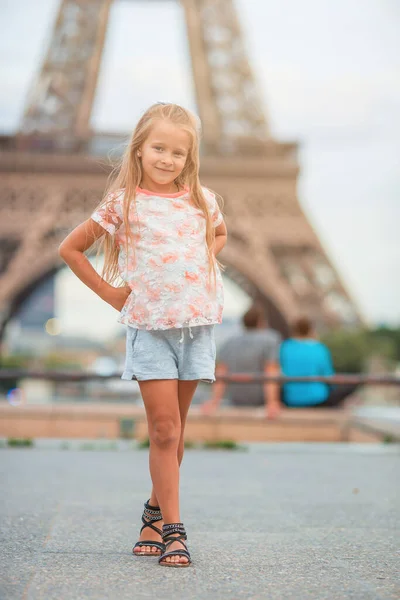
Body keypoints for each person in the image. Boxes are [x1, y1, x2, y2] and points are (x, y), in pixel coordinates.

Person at [58, 103, 227, 568]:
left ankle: (154, 512)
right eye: (158, 148)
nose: (167, 159)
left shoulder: (201, 198)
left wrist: (197, 265)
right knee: (164, 429)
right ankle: (175, 529)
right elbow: (70, 248)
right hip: (150, 328)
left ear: (188, 158)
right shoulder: (123, 202)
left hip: (196, 327)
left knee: (177, 432)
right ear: (138, 149)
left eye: (178, 152)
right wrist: (112, 294)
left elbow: (220, 235)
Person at [201, 304, 281, 419]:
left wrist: (214, 401)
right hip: (260, 400)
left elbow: (221, 373)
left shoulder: (230, 342)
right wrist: (272, 402)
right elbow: (271, 371)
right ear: (261, 321)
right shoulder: (270, 339)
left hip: (236, 399)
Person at [280, 317, 358, 408]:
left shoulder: (285, 347)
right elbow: (328, 377)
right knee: (353, 382)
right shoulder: (319, 348)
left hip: (291, 399)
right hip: (317, 399)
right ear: (311, 330)